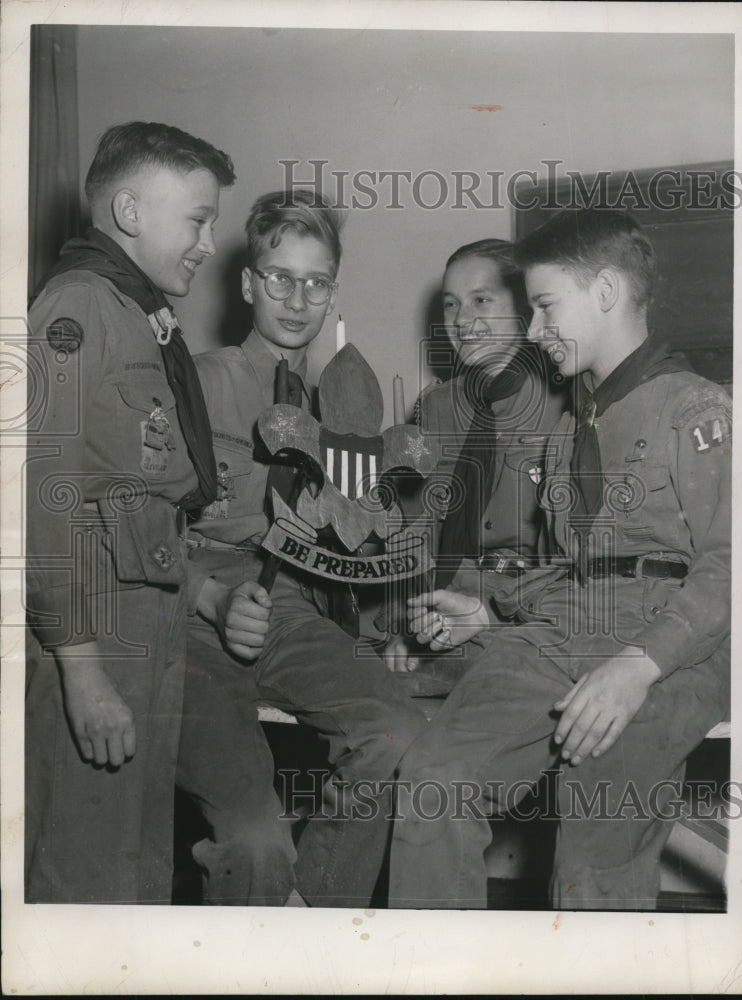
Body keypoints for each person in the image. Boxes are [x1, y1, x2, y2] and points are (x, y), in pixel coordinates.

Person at [388, 208, 731, 910]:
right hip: (563, 628)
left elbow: (727, 566)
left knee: (594, 834)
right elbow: (584, 572)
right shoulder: (569, 430)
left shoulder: (696, 411)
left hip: (675, 644)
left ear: (605, 292)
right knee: (431, 781)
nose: (534, 331)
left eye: (545, 307)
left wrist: (637, 667)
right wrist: (488, 608)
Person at [183, 188, 428, 906]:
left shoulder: (340, 406)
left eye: (316, 282)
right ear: (248, 283)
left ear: (333, 293)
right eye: (280, 278)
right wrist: (211, 595)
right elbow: (133, 527)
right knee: (254, 841)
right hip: (192, 621)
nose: (297, 299)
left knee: (398, 732)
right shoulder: (198, 384)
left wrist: (388, 624)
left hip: (291, 617)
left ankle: (314, 918)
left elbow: (356, 537)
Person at [25, 121, 242, 903]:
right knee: (84, 880)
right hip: (97, 637)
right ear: (129, 211)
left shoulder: (135, 311)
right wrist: (82, 675)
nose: (210, 242)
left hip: (148, 629)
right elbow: (40, 503)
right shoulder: (78, 307)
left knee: (138, 871)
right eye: (197, 218)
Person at [384, 238, 566, 692]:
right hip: (441, 604)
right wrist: (408, 624)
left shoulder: (569, 404)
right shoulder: (435, 408)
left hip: (525, 612)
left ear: (523, 308)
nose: (462, 321)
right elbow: (415, 531)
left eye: (481, 300)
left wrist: (492, 613)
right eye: (451, 305)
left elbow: (572, 563)